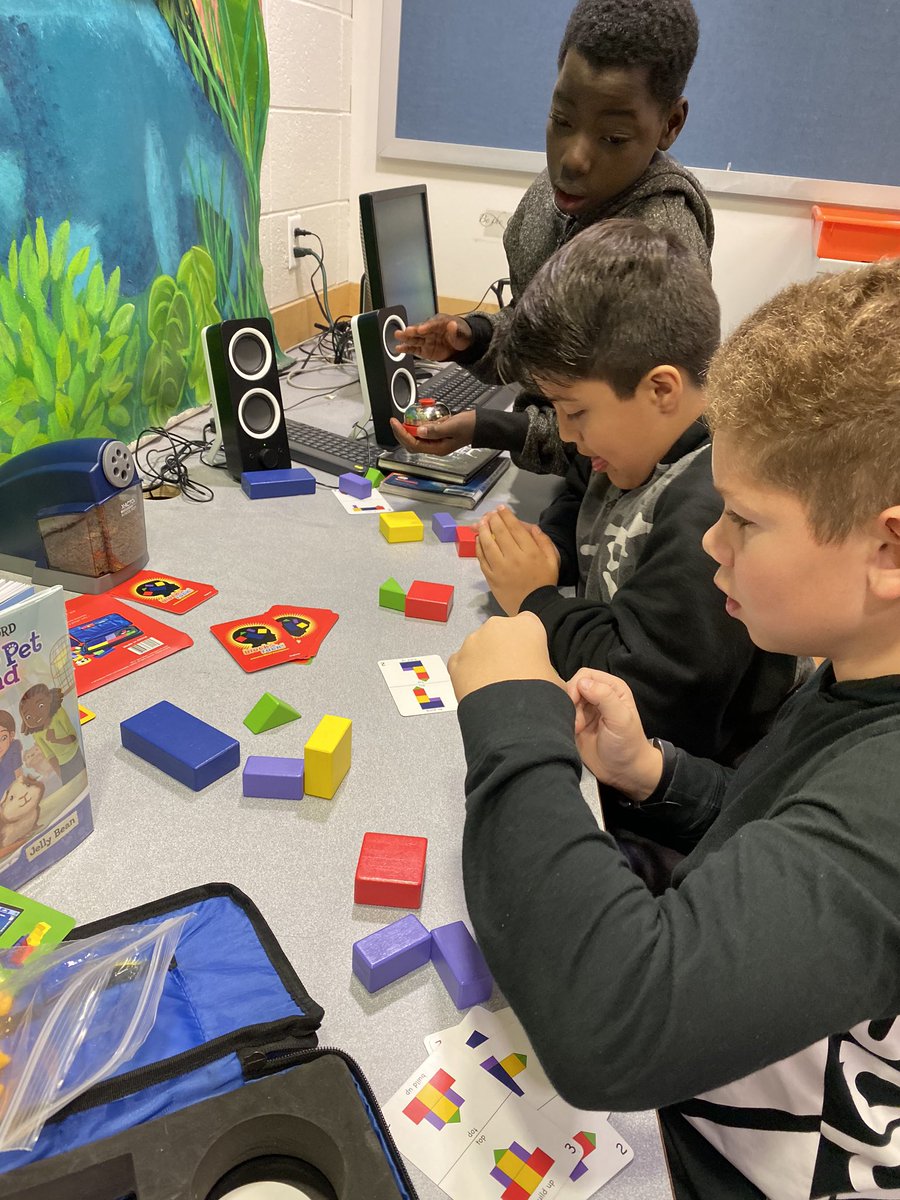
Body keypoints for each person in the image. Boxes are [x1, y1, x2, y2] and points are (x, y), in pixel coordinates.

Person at [447, 258, 900, 1200]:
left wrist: (511, 718)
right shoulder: (860, 675)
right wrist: (652, 771)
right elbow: (775, 821)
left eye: (743, 519)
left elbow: (613, 1025)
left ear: (890, 550)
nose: (709, 543)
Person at [475, 219, 798, 766]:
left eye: (575, 412)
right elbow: (581, 492)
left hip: (683, 775)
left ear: (660, 390)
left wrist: (537, 602)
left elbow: (644, 694)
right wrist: (555, 549)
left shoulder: (710, 509)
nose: (569, 435)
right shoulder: (636, 447)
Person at [391, 0, 713, 475]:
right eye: (562, 121)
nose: (573, 159)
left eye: (613, 138)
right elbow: (541, 341)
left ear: (670, 124)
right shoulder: (549, 199)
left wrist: (492, 428)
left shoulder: (659, 251)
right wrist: (474, 338)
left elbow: (629, 447)